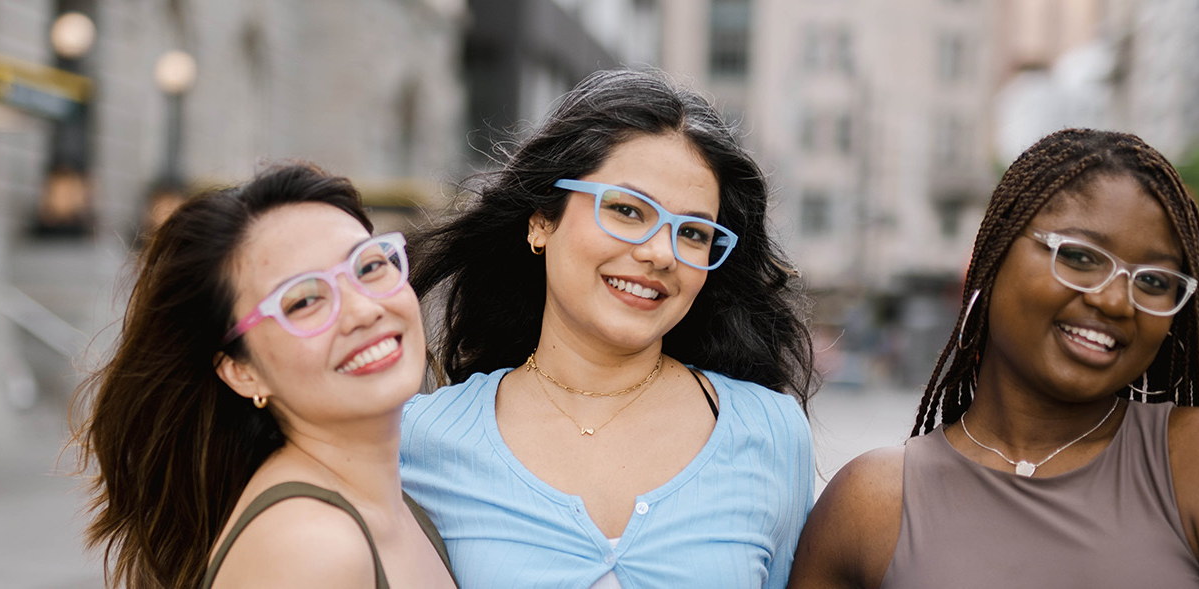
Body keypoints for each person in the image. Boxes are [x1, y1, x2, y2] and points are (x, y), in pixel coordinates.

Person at [788, 129, 1199, 588]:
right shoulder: (872, 503)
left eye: (1155, 281)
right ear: (989, 259)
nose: (1115, 300)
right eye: (1078, 256)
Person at [401, 68, 818, 588]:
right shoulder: (421, 439)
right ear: (541, 221)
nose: (660, 253)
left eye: (693, 232)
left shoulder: (771, 434)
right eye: (625, 210)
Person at [75, 164, 456, 588]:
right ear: (242, 371)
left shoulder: (403, 504)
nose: (364, 310)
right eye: (304, 301)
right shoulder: (310, 548)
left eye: (368, 267)